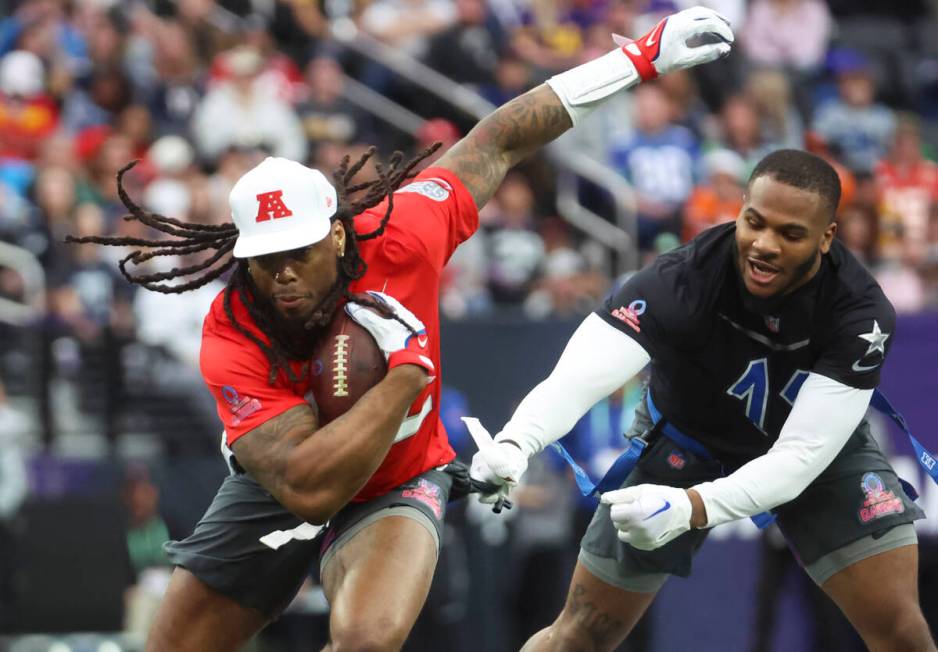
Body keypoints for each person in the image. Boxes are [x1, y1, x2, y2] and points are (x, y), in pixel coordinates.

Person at [68, 6, 733, 650]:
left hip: (398, 481)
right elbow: (308, 488)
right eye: (264, 263)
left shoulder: (403, 232)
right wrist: (405, 373)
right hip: (276, 490)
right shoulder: (233, 326)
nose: (284, 277)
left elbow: (499, 138)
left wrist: (637, 58)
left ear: (336, 234)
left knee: (366, 640)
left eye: (298, 253)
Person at [470, 149, 936, 651]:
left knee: (901, 632)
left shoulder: (860, 312)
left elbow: (801, 458)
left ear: (827, 237)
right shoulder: (683, 276)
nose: (764, 245)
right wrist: (516, 443)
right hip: (682, 442)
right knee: (579, 634)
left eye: (790, 233)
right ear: (739, 208)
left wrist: (691, 508)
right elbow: (578, 377)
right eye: (754, 222)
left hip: (816, 456)